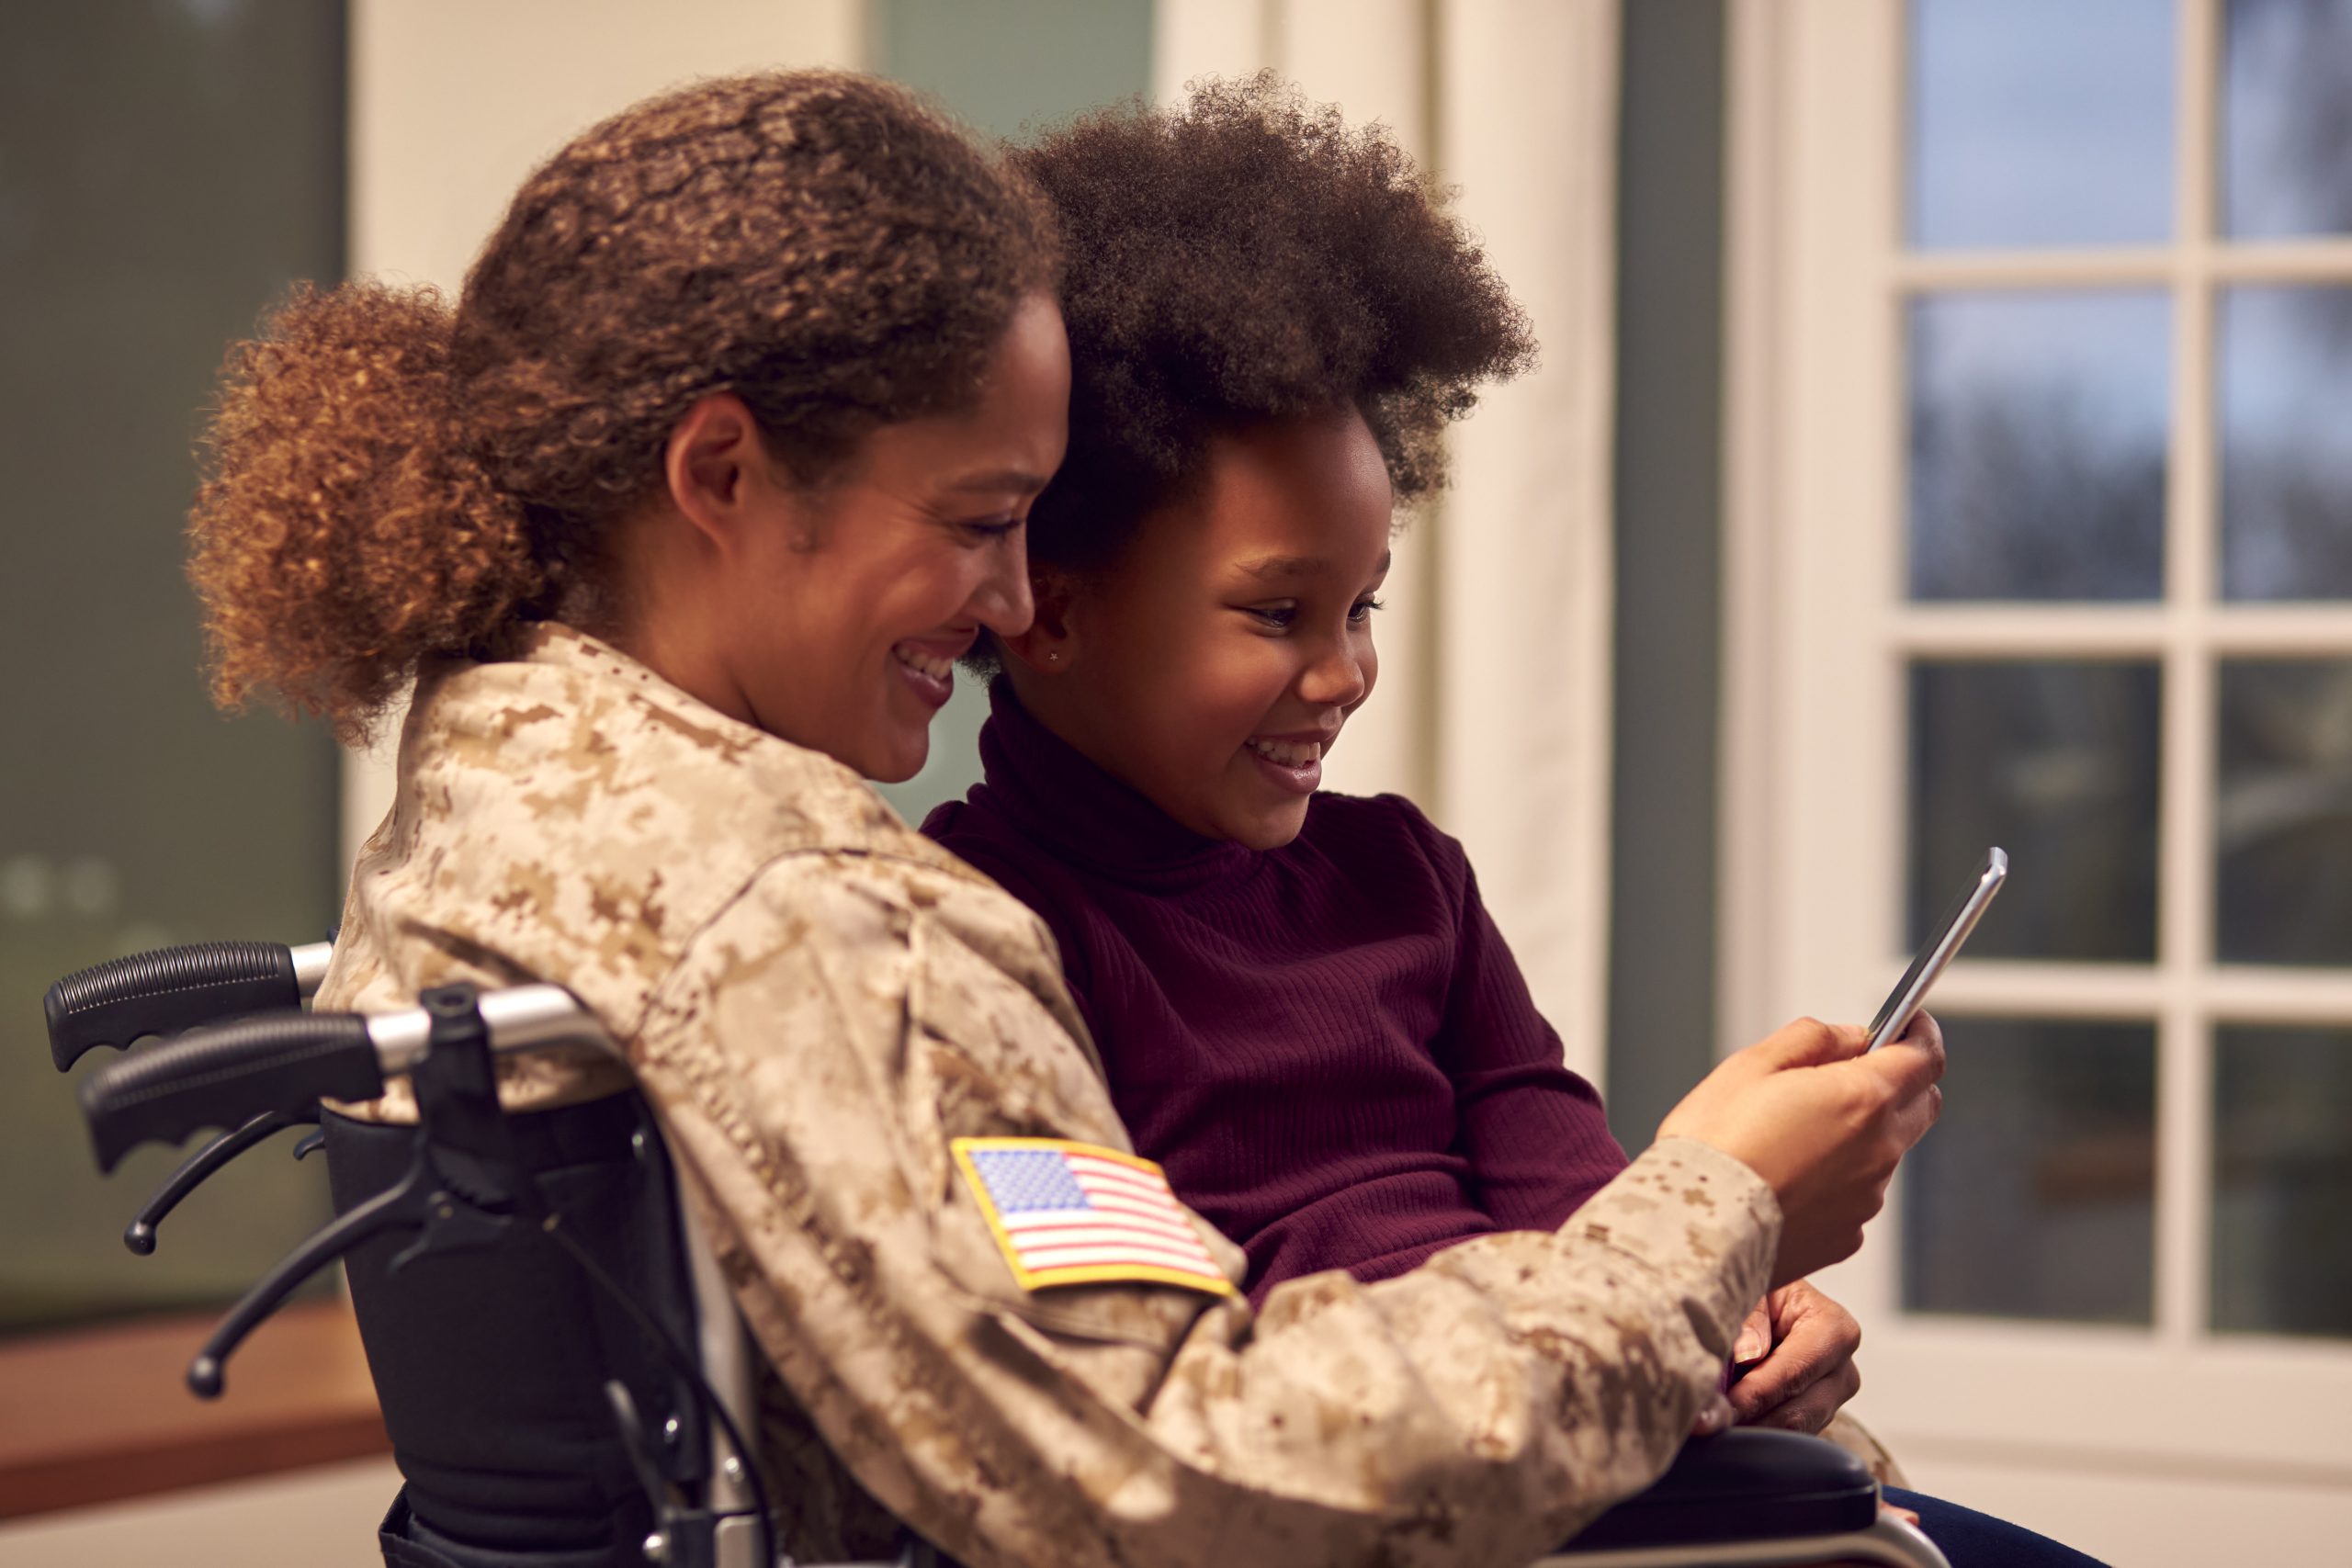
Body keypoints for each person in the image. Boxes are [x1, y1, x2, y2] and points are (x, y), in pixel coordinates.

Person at [188, 67, 1947, 1568]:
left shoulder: (498, 767)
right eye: (978, 517)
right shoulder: (823, 920)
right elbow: (1193, 1466)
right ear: (722, 475)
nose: (1018, 592)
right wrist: (1710, 1212)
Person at [923, 79, 2100, 1568]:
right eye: (1276, 612)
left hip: (1614, 1450)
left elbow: (1576, 1201)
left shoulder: (1401, 878)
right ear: (1053, 609)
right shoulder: (971, 937)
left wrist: (1737, 1303)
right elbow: (1185, 1392)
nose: (1344, 671)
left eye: (1362, 607)